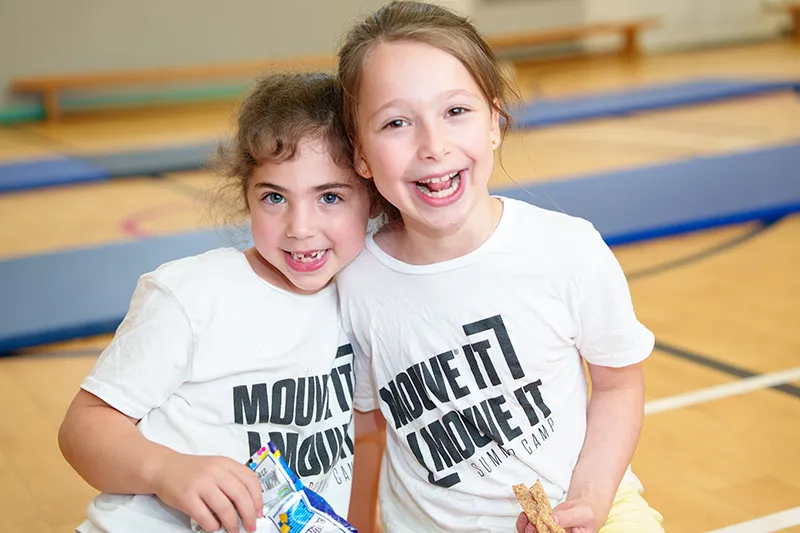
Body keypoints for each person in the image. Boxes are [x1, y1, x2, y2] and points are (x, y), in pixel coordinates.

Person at [335, 2, 665, 532]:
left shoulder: (566, 249)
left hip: (588, 508)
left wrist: (590, 498)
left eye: (455, 112)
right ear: (361, 156)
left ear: (494, 122)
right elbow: (367, 425)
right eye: (397, 122)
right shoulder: (354, 284)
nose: (433, 146)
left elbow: (618, 385)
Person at [58, 72, 376, 533]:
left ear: (374, 197)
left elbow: (365, 441)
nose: (300, 226)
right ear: (246, 194)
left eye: (329, 196)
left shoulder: (367, 297)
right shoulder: (192, 295)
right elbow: (82, 429)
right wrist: (166, 471)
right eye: (274, 197)